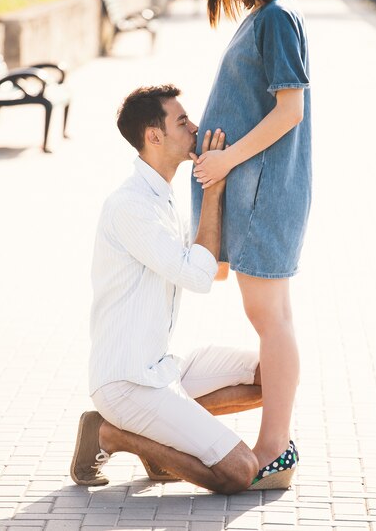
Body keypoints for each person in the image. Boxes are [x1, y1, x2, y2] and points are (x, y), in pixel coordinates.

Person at [70, 84, 265, 495]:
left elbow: (212, 270)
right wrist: (214, 188)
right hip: (127, 382)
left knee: (272, 375)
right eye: (182, 121)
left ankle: (155, 440)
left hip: (164, 369)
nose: (194, 127)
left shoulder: (165, 196)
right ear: (153, 136)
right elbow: (197, 277)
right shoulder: (132, 206)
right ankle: (113, 435)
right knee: (240, 471)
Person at [186, 0, 310, 489]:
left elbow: (291, 111)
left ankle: (275, 450)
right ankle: (275, 447)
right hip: (256, 190)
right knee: (270, 317)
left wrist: (225, 159)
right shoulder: (265, 16)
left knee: (271, 319)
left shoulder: (277, 19)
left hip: (263, 190)